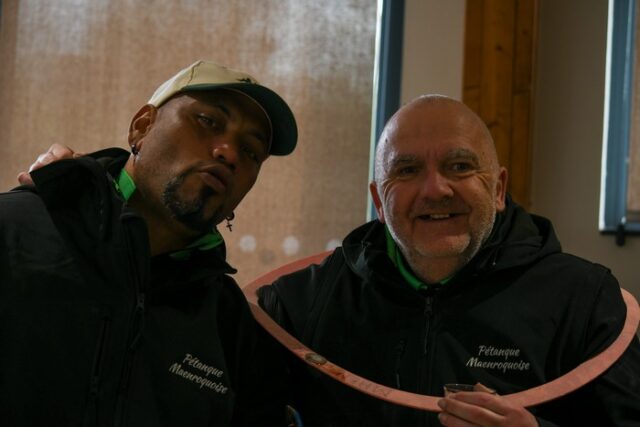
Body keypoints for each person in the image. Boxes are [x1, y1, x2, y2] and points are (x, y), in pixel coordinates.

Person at [258, 95, 640, 426]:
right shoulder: (299, 305)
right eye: (407, 170)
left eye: (459, 166)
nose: (435, 189)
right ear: (379, 201)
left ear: (498, 189)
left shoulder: (585, 302)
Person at [0, 60, 298, 426]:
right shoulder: (16, 229)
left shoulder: (230, 326)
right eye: (208, 121)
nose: (229, 153)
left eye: (251, 151)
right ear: (142, 126)